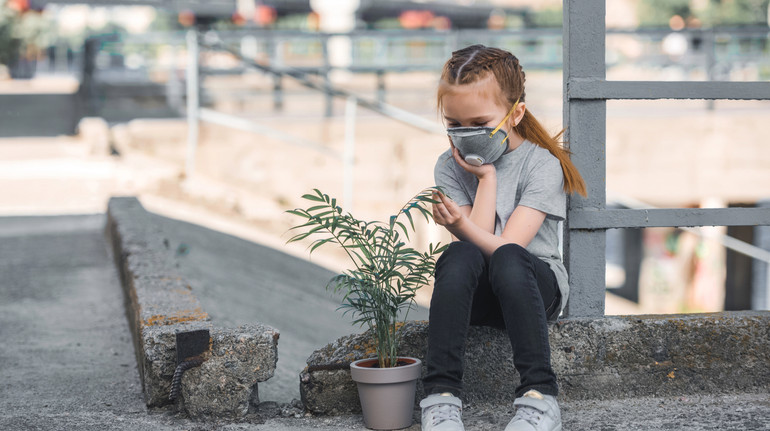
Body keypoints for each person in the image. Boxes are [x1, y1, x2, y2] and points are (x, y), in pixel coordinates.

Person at [419, 45, 587, 431]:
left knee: (508, 257)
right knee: (458, 258)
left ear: (516, 114)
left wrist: (471, 207)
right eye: (454, 124)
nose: (466, 135)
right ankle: (441, 399)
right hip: (480, 293)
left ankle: (540, 398)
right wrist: (485, 178)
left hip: (530, 289)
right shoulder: (449, 166)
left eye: (478, 122)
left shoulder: (542, 164)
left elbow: (508, 247)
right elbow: (472, 254)